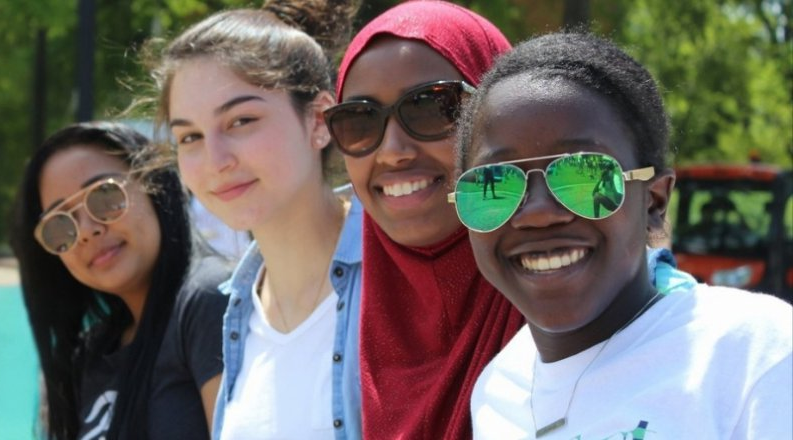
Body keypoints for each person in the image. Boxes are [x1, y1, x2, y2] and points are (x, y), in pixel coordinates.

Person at [324, 2, 691, 438]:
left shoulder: (686, 339)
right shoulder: (340, 321)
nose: (392, 150)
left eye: (431, 107)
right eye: (358, 120)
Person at [451, 32, 792, 438]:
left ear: (653, 201)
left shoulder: (755, 354)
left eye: (584, 175)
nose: (538, 213)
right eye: (495, 184)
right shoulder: (496, 393)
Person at [145, 0, 362, 438]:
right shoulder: (235, 312)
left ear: (319, 120)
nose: (215, 160)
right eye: (189, 136)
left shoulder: (400, 278)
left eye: (241, 120)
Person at [9, 121, 231, 440]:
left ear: (154, 184)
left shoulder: (209, 300)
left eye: (105, 196)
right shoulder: (87, 355)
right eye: (60, 224)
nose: (87, 230)